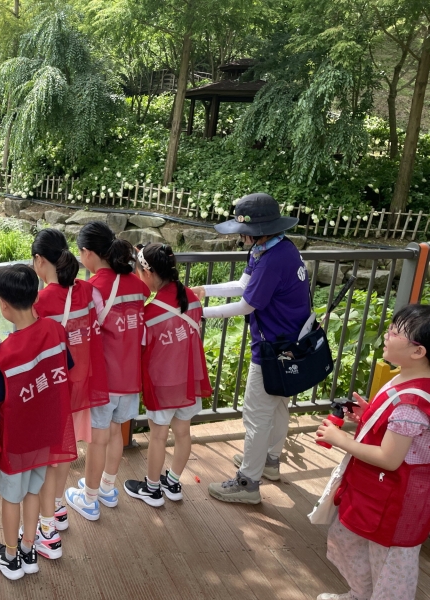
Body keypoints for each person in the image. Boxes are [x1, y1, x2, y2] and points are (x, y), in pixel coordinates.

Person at [193, 193, 310, 505]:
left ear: (259, 231)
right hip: (291, 342)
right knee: (279, 405)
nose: (239, 236)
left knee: (256, 414)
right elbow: (245, 285)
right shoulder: (275, 248)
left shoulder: (271, 259)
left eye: (243, 231)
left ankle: (247, 482)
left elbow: (247, 304)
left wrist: (201, 312)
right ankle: (269, 461)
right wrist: (205, 290)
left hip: (273, 347)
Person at [314, 304, 430, 600]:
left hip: (395, 500)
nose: (387, 335)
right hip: (374, 490)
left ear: (418, 351)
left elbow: (389, 459)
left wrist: (340, 439)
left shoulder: (412, 403)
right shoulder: (406, 377)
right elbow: (400, 432)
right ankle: (360, 594)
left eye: (395, 332)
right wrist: (368, 415)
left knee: (390, 566)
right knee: (348, 540)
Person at [0, 264, 77, 580]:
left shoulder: (5, 353)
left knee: (11, 496)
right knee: (33, 492)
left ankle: (11, 557)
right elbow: (66, 366)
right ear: (35, 296)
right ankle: (29, 548)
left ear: (4, 305)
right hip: (47, 432)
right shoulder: (55, 330)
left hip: (18, 440)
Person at [31, 229, 110, 556]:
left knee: (49, 459)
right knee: (66, 451)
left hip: (53, 389)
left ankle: (47, 528)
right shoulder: (87, 290)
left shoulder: (41, 301)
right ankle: (59, 506)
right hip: (82, 385)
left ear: (39, 260)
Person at [65, 222, 149, 520]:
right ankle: (107, 488)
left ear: (87, 253)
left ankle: (89, 499)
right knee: (115, 434)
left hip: (104, 378)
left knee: (97, 439)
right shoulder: (137, 285)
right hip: (131, 376)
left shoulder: (92, 288)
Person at [123, 243, 212, 506]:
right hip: (188, 380)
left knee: (158, 437)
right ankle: (172, 482)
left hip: (162, 384)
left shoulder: (149, 312)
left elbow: (140, 349)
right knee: (183, 433)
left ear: (148, 273)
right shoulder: (191, 298)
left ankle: (152, 489)